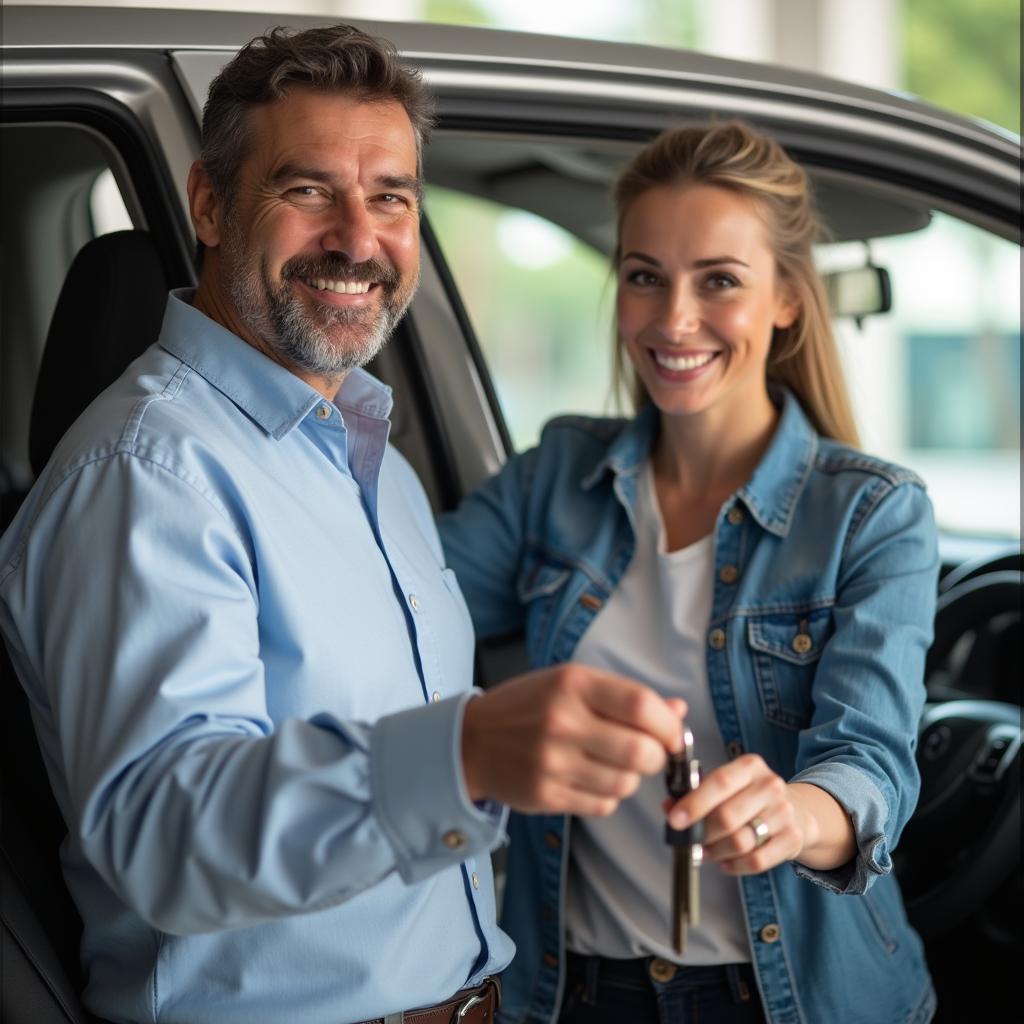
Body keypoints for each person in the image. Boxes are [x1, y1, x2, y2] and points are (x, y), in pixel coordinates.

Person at [0, 25, 689, 1024]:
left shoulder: (371, 457)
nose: (359, 239)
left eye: (391, 197)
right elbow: (165, 831)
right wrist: (464, 756)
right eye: (307, 188)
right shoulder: (147, 473)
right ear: (209, 203)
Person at [439, 121, 939, 1024]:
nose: (674, 319)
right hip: (572, 991)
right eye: (644, 278)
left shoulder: (871, 512)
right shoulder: (557, 476)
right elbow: (399, 614)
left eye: (719, 281)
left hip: (790, 999)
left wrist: (799, 812)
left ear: (787, 299)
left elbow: (871, 762)